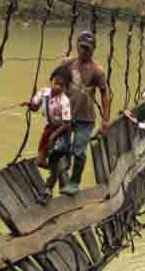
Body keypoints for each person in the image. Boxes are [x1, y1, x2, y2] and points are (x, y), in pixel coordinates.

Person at [61, 30, 111, 196]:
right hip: (66, 116)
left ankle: (74, 182)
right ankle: (62, 178)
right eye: (82, 47)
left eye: (88, 48)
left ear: (93, 49)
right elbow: (56, 83)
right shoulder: (68, 63)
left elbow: (104, 93)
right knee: (60, 147)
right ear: (77, 46)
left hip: (85, 118)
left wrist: (105, 119)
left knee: (79, 151)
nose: (84, 51)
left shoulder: (98, 71)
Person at [23, 65, 73, 196]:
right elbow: (35, 107)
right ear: (51, 80)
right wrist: (30, 105)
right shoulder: (43, 92)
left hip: (62, 130)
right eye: (56, 83)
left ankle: (49, 187)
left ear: (65, 88)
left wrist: (53, 137)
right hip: (49, 128)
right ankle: (59, 171)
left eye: (61, 86)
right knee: (40, 161)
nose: (58, 87)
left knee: (54, 157)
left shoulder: (64, 101)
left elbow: (67, 124)